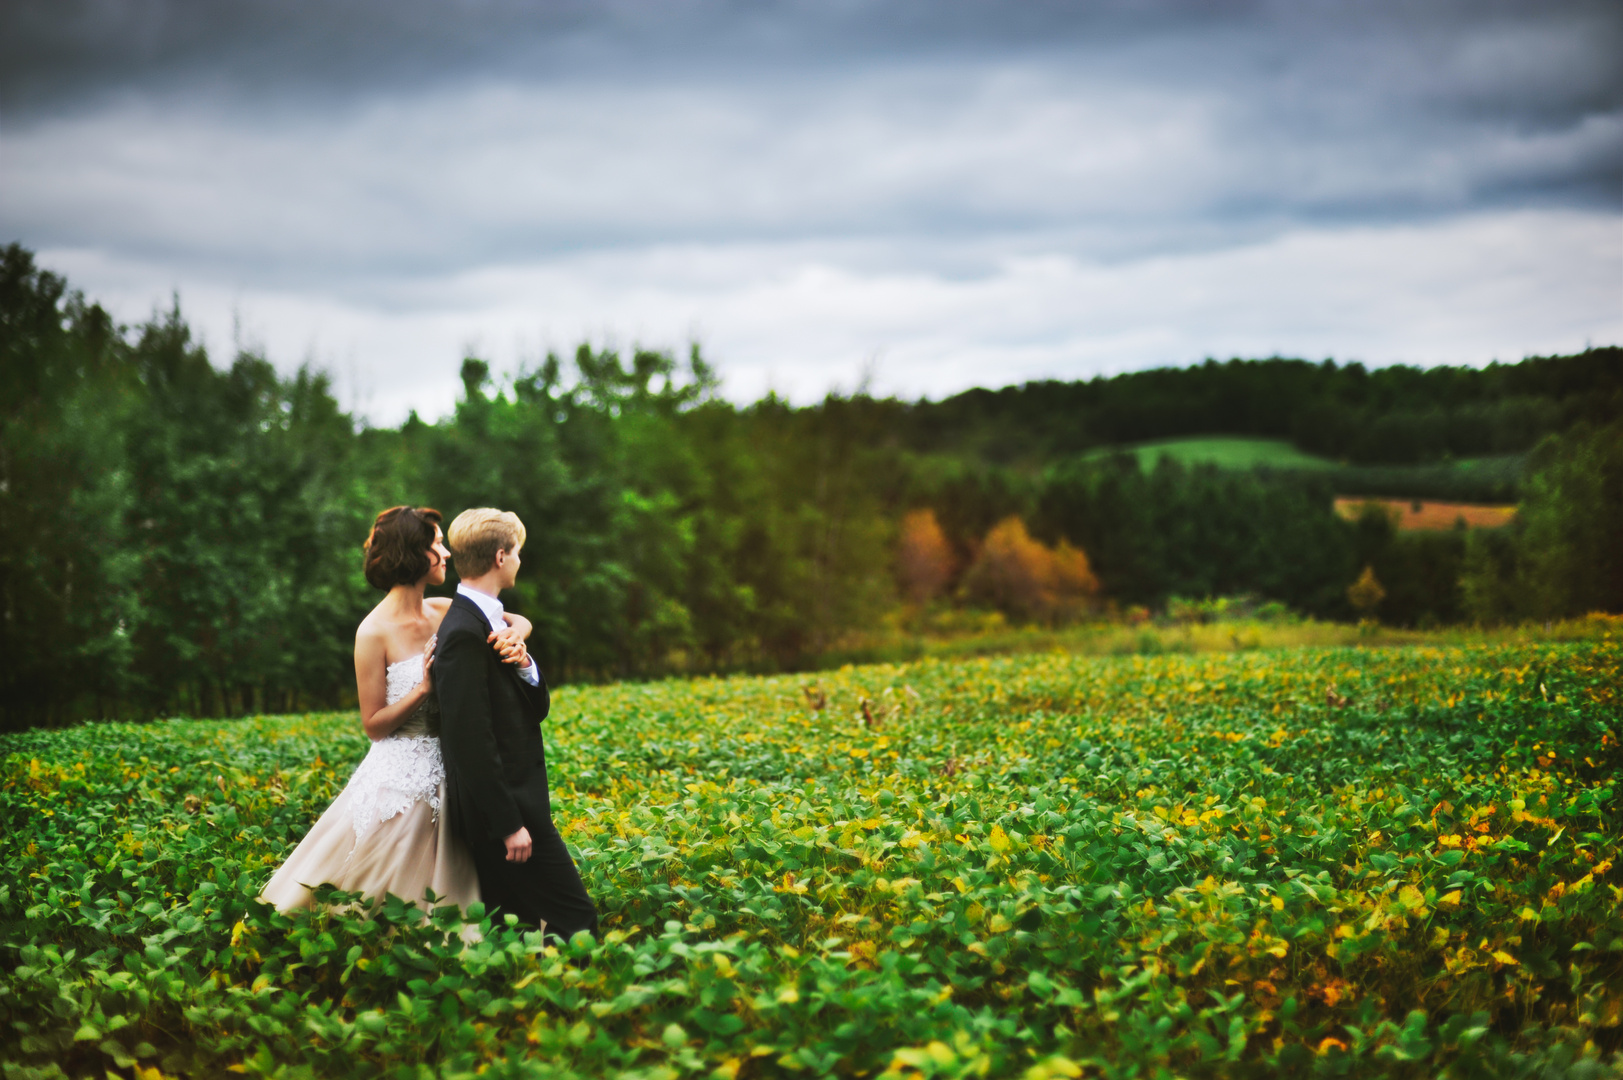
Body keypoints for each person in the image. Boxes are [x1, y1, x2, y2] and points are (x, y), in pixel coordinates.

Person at [259, 506, 534, 916]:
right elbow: (373, 725)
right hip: (400, 776)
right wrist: (423, 689)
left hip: (454, 768)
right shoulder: (372, 632)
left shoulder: (444, 610)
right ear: (413, 553)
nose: (446, 553)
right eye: (437, 544)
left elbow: (513, 618)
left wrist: (518, 633)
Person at [435, 507, 599, 942]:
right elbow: (469, 740)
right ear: (502, 557)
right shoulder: (462, 634)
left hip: (515, 807)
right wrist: (508, 824)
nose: (522, 560)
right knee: (577, 920)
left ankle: (523, 1004)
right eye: (520, 552)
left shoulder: (494, 622)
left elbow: (532, 709)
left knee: (514, 929)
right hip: (506, 815)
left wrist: (525, 663)